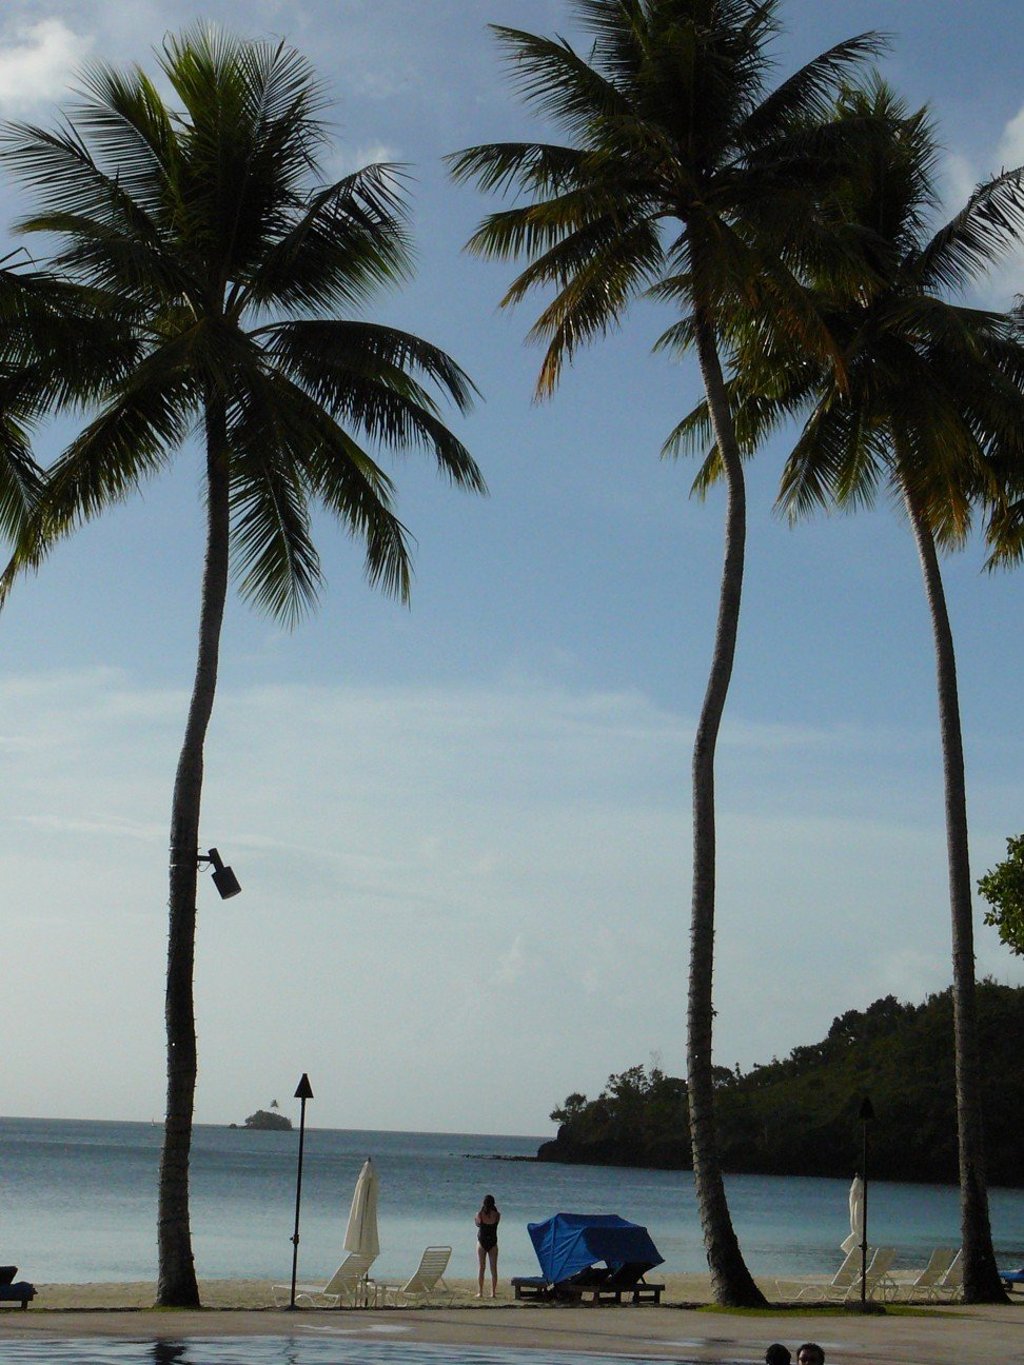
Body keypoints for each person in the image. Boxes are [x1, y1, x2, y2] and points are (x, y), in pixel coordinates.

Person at [475, 1193, 500, 1298]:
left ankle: (480, 1292)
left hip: (482, 1242)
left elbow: (477, 1224)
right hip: (493, 1242)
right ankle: (493, 1293)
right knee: (493, 1268)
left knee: (481, 1267)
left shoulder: (480, 1214)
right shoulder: (497, 1215)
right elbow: (496, 1224)